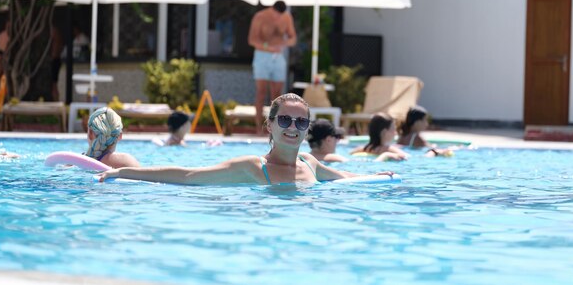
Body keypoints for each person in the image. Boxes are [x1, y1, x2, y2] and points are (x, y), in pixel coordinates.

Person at [97, 93, 390, 185]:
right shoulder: (252, 166)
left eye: (301, 121)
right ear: (270, 125)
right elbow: (188, 175)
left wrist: (376, 176)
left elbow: (344, 178)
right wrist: (126, 172)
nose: (293, 127)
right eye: (285, 120)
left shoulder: (309, 163)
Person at [248, 1, 297, 134]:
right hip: (262, 55)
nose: (277, 18)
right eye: (276, 15)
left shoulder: (286, 17)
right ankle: (259, 128)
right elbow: (252, 40)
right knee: (261, 92)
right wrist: (268, 47)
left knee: (277, 94)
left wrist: (283, 43)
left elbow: (293, 38)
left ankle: (275, 128)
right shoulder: (260, 17)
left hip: (278, 56)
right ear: (272, 10)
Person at [50, 25, 64, 101]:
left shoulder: (56, 37)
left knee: (54, 84)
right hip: (56, 59)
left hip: (55, 60)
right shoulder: (57, 38)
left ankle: (56, 100)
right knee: (54, 84)